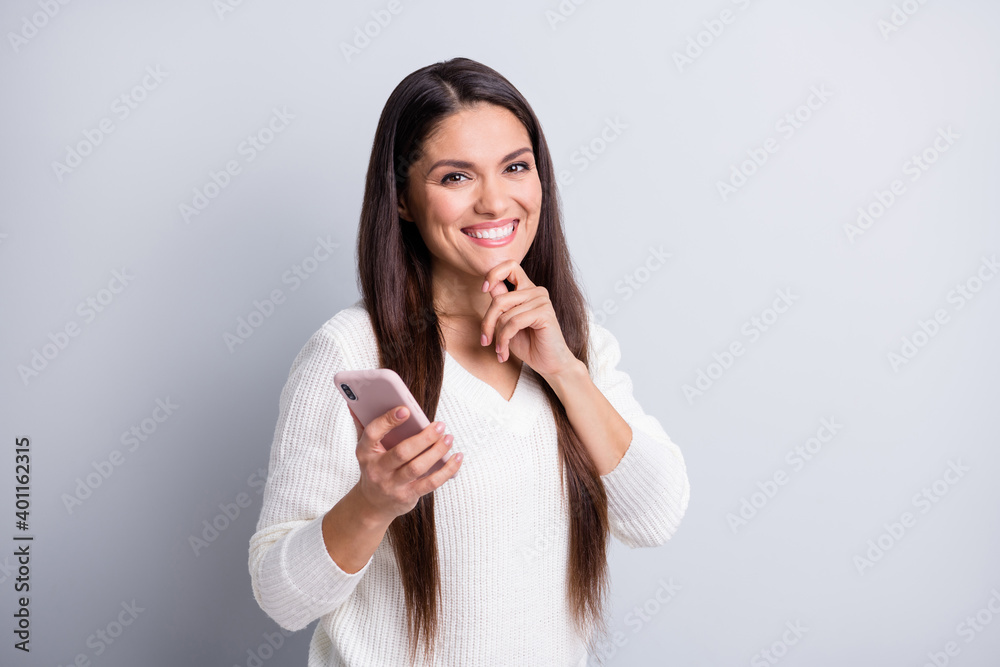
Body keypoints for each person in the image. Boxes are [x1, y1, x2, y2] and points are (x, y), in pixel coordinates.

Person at [248, 56, 690, 667]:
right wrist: (373, 504)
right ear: (403, 200)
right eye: (456, 178)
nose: (494, 201)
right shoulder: (351, 352)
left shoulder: (576, 341)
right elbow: (280, 597)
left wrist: (564, 370)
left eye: (515, 167)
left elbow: (655, 515)